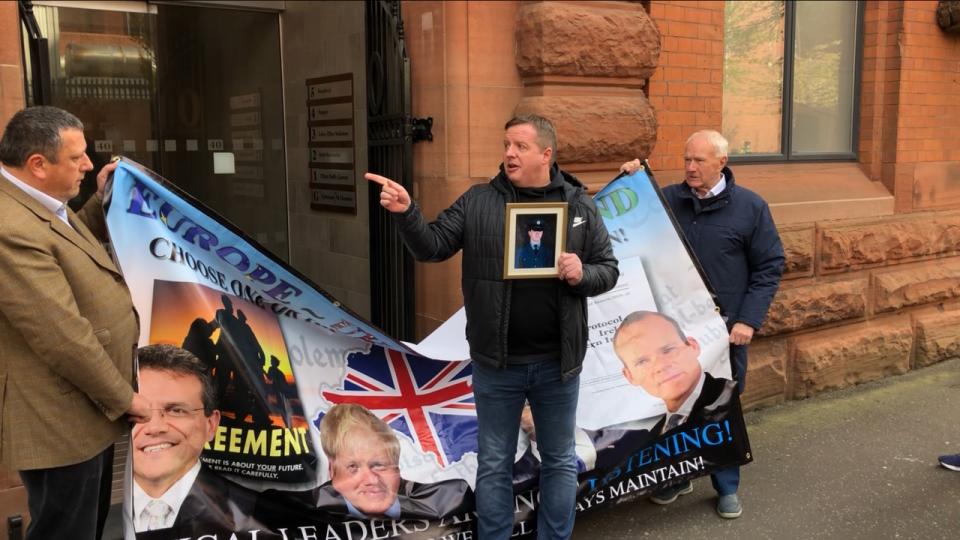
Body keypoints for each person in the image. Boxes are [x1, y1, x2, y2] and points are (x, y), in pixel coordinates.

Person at [367, 113, 619, 539]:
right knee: (495, 462)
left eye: (520, 146)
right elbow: (431, 246)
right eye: (506, 144)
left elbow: (608, 270)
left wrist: (582, 273)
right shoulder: (478, 201)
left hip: (558, 365)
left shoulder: (578, 206)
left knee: (558, 460)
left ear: (546, 153)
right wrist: (407, 212)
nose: (508, 153)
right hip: (496, 365)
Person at [0, 106, 151, 540]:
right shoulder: (11, 228)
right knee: (67, 529)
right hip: (59, 420)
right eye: (77, 158)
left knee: (85, 522)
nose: (88, 164)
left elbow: (69, 244)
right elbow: (62, 336)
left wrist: (103, 200)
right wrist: (126, 399)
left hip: (81, 411)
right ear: (37, 165)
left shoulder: (39, 203)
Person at [621, 129, 784, 519]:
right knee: (675, 408)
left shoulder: (750, 207)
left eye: (700, 161)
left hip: (726, 333)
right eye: (687, 160)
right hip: (675, 332)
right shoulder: (671, 200)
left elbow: (769, 266)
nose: (691, 168)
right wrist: (633, 180)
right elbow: (634, 217)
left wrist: (748, 320)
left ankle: (726, 486)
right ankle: (678, 477)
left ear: (722, 163)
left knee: (720, 409)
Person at [130, 344, 264, 534]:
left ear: (211, 425)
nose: (155, 427)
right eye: (138, 414)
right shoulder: (81, 512)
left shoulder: (259, 515)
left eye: (176, 410)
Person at [590, 310, 738, 471]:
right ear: (629, 376)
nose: (660, 366)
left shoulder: (725, 396)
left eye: (668, 350)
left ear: (693, 346)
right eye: (642, 361)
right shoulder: (654, 434)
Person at [309, 403, 473, 520]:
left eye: (379, 465)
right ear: (332, 470)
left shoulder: (451, 503)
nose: (372, 480)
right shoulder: (304, 514)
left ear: (397, 468)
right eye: (353, 467)